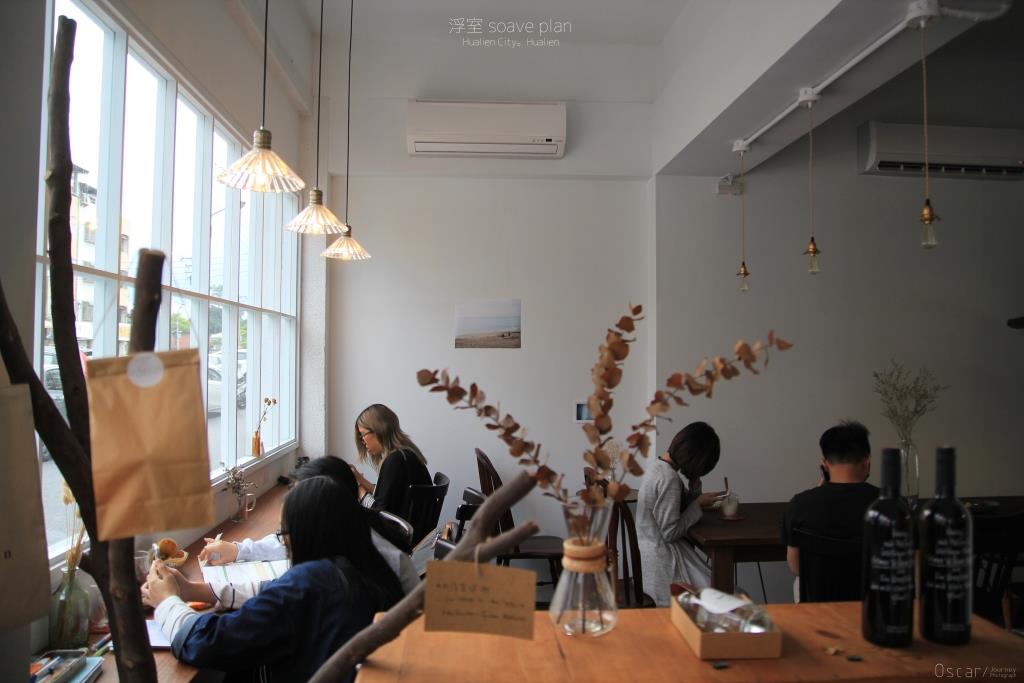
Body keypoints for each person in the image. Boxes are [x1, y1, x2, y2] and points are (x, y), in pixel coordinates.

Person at [142, 476, 402, 681]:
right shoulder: (364, 567)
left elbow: (207, 643)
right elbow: (272, 591)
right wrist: (192, 590)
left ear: (306, 534)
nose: (284, 542)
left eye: (283, 534)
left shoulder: (310, 583)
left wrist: (166, 602)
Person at [196, 456, 419, 598]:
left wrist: (201, 591)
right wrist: (238, 550)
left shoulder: (347, 567)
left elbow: (282, 594)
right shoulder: (352, 529)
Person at [781, 421, 878, 598]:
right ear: (867, 461)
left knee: (799, 582)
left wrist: (819, 491)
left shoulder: (800, 505)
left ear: (824, 465)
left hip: (820, 606)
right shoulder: (893, 505)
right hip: (876, 605)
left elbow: (796, 567)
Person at [636, 421, 725, 606]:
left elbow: (677, 508)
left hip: (653, 557)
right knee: (728, 595)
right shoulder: (669, 479)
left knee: (723, 591)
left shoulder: (658, 467)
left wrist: (695, 486)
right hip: (665, 564)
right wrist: (698, 504)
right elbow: (670, 532)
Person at [349, 404, 431, 516]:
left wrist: (359, 491)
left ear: (379, 430)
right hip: (413, 525)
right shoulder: (405, 455)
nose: (362, 441)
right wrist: (361, 480)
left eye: (363, 434)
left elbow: (381, 514)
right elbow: (387, 497)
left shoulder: (395, 461)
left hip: (400, 527)